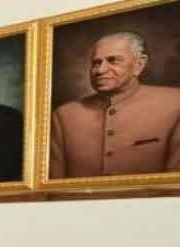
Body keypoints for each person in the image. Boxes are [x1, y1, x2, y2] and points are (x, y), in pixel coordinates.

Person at [50, 31, 180, 178]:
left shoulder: (175, 103)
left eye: (113, 61)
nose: (100, 70)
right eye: (96, 63)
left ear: (139, 64)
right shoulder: (65, 115)